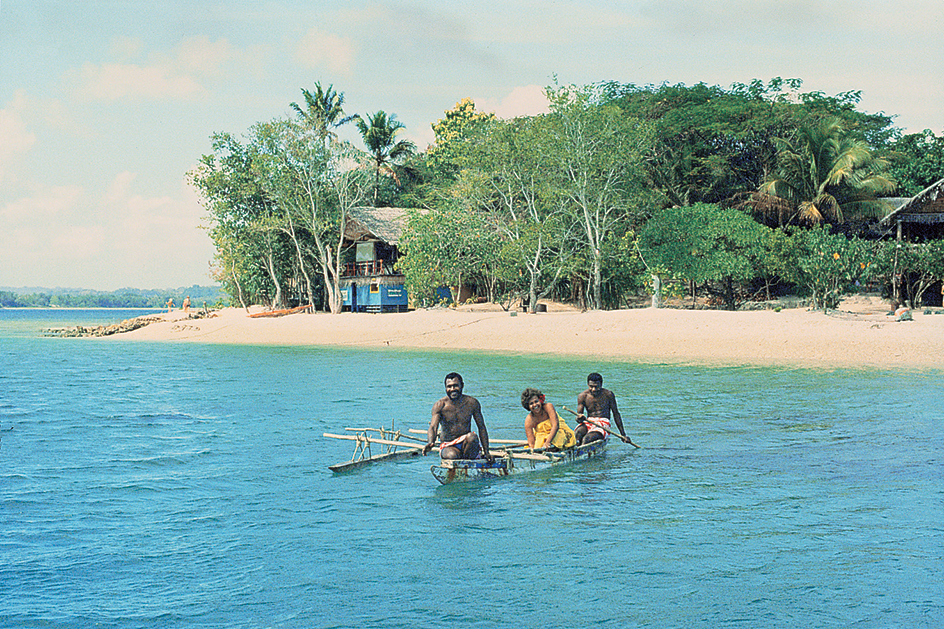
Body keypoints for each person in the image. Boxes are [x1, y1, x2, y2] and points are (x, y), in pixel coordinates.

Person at [423, 372, 492, 461]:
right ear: (445, 388)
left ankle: (467, 462)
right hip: (448, 445)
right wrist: (430, 442)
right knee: (453, 455)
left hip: (466, 445)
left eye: (455, 386)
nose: (452, 389)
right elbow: (433, 427)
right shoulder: (440, 405)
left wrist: (486, 452)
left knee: (472, 437)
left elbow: (481, 427)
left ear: (462, 385)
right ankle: (461, 459)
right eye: (449, 386)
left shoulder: (472, 403)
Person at [574, 372, 633, 445]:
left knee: (587, 439)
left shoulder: (608, 394)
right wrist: (579, 418)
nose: (594, 389)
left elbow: (616, 414)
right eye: (591, 386)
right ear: (588, 385)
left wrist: (623, 435)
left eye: (596, 386)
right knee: (577, 434)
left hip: (603, 423)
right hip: (589, 421)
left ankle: (583, 450)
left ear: (601, 384)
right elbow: (579, 418)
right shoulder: (582, 396)